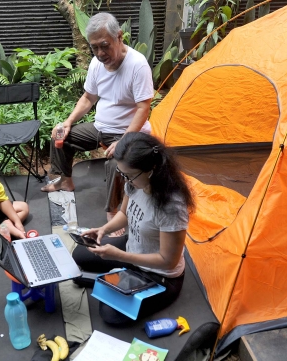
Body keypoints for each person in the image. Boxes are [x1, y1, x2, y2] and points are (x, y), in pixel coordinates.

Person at [41, 12, 154, 227]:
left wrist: (124, 140)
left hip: (128, 132)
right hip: (101, 127)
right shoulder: (96, 63)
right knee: (60, 136)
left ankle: (114, 212)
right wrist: (67, 122)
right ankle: (65, 182)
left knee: (116, 163)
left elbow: (143, 108)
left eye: (104, 45)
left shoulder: (138, 65)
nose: (100, 53)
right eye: (95, 47)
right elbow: (88, 98)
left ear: (119, 37)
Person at [72, 132, 195, 324]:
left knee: (110, 314)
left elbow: (168, 261)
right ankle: (117, 275)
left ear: (152, 169)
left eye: (129, 175)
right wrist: (103, 229)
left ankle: (115, 275)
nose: (126, 180)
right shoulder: (135, 183)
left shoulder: (171, 207)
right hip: (133, 248)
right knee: (80, 253)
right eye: (122, 173)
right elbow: (124, 214)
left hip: (160, 274)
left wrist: (118, 256)